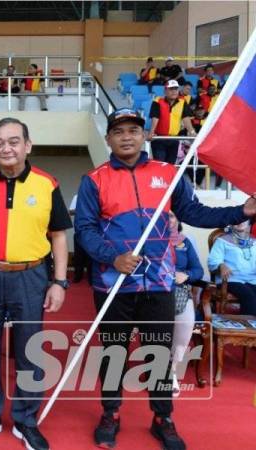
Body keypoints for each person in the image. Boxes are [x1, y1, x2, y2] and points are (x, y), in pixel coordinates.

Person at [74, 108, 256, 450]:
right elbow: (84, 230)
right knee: (114, 351)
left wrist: (241, 212)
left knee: (158, 351)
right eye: (119, 131)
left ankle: (163, 418)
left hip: (158, 283)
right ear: (109, 138)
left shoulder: (168, 174)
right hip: (114, 284)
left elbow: (197, 213)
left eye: (133, 130)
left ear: (145, 136)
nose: (126, 136)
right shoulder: (94, 180)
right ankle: (110, 414)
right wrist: (111, 257)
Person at [0, 117, 71, 450]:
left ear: (28, 145)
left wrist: (59, 282)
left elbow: (59, 236)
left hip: (31, 275)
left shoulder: (47, 184)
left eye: (14, 141)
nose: (6, 148)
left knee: (30, 349)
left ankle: (25, 419)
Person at [168, 212, 204, 396]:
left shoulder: (185, 242)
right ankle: (157, 365)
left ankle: (171, 370)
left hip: (180, 290)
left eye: (172, 216)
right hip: (153, 290)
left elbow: (199, 270)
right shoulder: (148, 240)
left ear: (179, 220)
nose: (168, 220)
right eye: (164, 216)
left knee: (185, 323)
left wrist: (187, 276)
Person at [208, 221, 256, 315]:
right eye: (237, 219)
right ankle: (248, 328)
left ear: (249, 223)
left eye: (244, 219)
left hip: (252, 280)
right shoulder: (222, 241)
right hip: (231, 279)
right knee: (248, 295)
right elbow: (213, 261)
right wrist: (221, 265)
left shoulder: (254, 242)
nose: (240, 222)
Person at [148, 80, 196, 164]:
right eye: (171, 89)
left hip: (174, 139)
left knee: (171, 165)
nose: (174, 91)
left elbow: (186, 118)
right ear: (165, 91)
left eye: (176, 89)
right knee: (160, 165)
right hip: (160, 139)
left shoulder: (182, 102)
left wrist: (192, 132)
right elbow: (155, 117)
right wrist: (151, 132)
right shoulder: (157, 101)